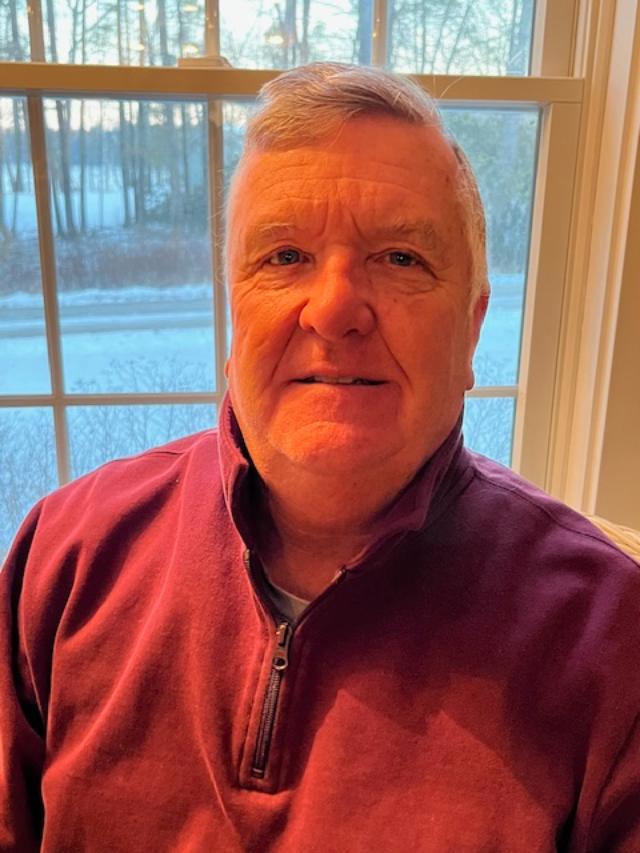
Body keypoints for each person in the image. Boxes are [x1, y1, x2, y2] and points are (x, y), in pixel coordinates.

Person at [1, 62, 639, 852]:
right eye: (284, 256)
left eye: (400, 258)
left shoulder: (612, 639)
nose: (334, 309)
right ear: (234, 313)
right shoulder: (63, 559)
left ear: (473, 328)